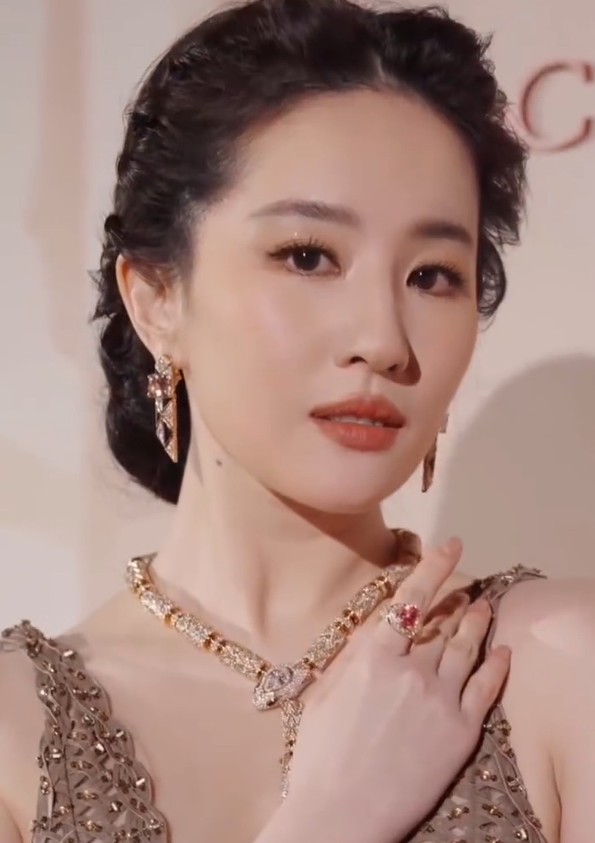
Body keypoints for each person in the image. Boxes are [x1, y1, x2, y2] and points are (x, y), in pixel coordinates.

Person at [1, 0, 593, 840]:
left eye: (431, 275)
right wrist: (332, 815)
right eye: (307, 256)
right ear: (158, 298)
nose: (383, 340)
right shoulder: (15, 727)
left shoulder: (555, 667)